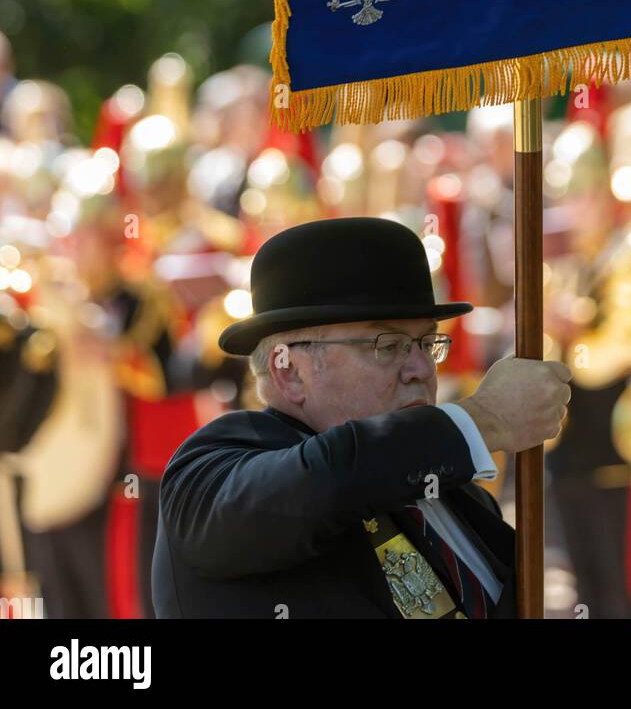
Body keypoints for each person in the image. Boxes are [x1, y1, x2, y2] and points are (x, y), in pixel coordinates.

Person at [153, 216, 571, 619]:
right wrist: (483, 420)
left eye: (427, 343)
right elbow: (328, 478)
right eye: (387, 345)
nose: (421, 369)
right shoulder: (207, 475)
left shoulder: (459, 497)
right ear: (289, 371)